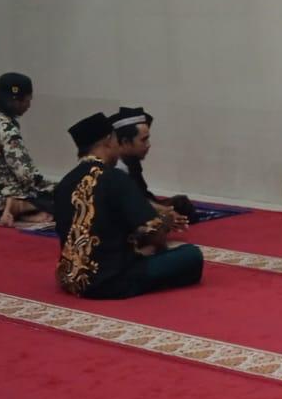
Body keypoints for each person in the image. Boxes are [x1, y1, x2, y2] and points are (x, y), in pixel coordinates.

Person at [52, 112, 203, 300]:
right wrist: (164, 223)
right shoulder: (114, 178)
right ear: (108, 141)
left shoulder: (64, 183)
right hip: (111, 281)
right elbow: (154, 233)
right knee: (191, 255)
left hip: (70, 280)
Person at [0, 72, 56, 226]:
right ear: (16, 100)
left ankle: (18, 212)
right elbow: (27, 176)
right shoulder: (7, 129)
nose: (29, 105)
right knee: (65, 198)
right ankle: (18, 207)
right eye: (28, 100)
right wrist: (56, 187)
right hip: (7, 196)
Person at [109, 106, 197, 223]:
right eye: (143, 140)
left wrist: (166, 208)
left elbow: (142, 196)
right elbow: (131, 203)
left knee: (182, 204)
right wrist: (164, 211)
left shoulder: (132, 161)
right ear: (125, 142)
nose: (148, 144)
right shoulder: (110, 170)